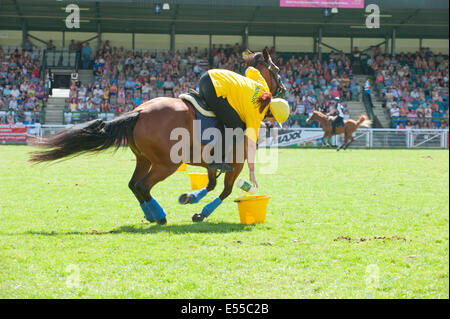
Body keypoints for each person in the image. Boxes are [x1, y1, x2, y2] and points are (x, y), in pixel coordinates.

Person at [198, 66, 289, 188]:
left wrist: (241, 86)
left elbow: (250, 69)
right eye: (274, 119)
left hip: (208, 77)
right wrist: (251, 171)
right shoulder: (257, 114)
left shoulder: (264, 87)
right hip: (215, 88)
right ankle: (215, 159)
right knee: (237, 129)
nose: (272, 121)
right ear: (271, 113)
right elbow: (250, 145)